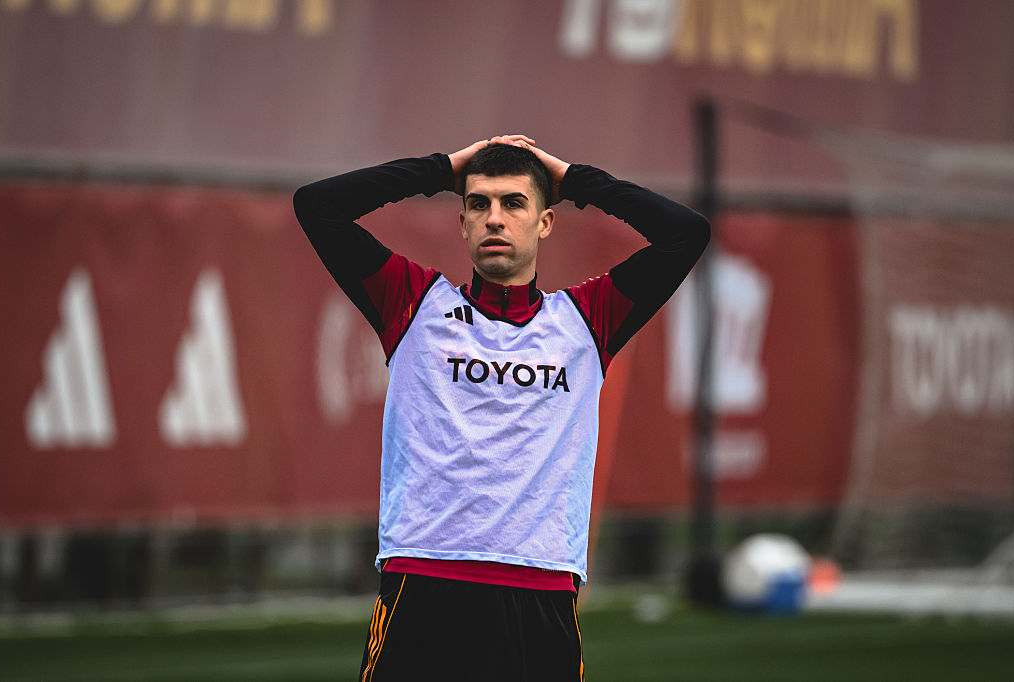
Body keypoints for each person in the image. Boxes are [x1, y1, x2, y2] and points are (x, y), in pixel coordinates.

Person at [293, 135, 709, 681]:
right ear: (462, 223)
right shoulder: (412, 303)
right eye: (478, 204)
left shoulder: (588, 319)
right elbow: (317, 206)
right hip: (425, 580)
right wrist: (443, 169)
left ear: (545, 222)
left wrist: (572, 180)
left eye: (514, 203)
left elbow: (686, 234)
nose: (494, 218)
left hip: (541, 587)